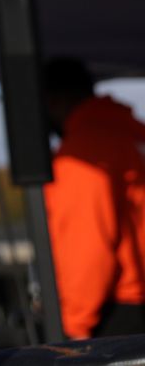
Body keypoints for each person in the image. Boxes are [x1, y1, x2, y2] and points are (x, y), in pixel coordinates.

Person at [42, 57, 145, 338]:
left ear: (54, 101)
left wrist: (73, 329)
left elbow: (87, 247)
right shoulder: (132, 134)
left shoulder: (81, 155)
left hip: (122, 314)